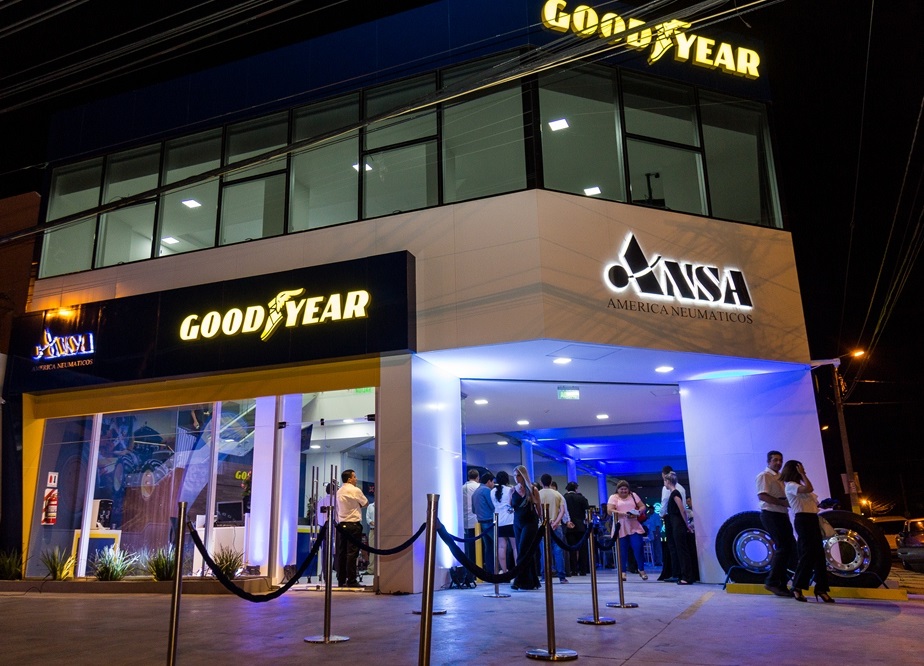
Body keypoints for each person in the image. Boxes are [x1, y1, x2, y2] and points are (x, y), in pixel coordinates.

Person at [779, 460, 834, 603]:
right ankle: (797, 587)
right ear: (795, 470)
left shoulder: (799, 486)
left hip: (812, 519)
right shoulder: (791, 485)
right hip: (803, 520)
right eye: (801, 469)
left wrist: (825, 504)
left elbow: (812, 504)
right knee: (808, 554)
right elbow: (809, 488)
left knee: (819, 555)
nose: (804, 471)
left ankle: (821, 588)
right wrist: (803, 474)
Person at [756, 450, 795, 597]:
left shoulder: (780, 477)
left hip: (782, 514)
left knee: (790, 548)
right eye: (775, 460)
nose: (778, 463)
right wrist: (782, 502)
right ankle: (772, 582)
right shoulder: (764, 476)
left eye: (780, 460)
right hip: (771, 514)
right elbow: (762, 495)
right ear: (768, 461)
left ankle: (782, 584)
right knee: (783, 547)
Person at [607, 480, 648, 580]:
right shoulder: (613, 497)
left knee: (638, 547)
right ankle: (623, 572)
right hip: (620, 526)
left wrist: (638, 512)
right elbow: (609, 510)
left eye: (625, 489)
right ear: (617, 490)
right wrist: (623, 513)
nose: (624, 491)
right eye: (621, 489)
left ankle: (641, 569)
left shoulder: (633, 495)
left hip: (634, 525)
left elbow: (643, 506)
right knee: (622, 550)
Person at [510, 465, 541, 590]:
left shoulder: (533, 489)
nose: (516, 478)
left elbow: (538, 507)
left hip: (530, 521)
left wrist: (542, 521)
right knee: (523, 550)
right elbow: (510, 505)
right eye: (514, 476)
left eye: (518, 475)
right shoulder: (512, 490)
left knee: (523, 549)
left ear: (523, 476)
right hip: (517, 522)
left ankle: (518, 579)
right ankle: (531, 580)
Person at [336, 469, 368, 588]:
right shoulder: (355, 490)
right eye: (354, 477)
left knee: (342, 553)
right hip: (353, 524)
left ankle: (341, 579)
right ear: (349, 479)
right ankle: (351, 580)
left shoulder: (339, 491)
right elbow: (365, 503)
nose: (356, 479)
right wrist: (356, 505)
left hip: (342, 524)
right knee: (352, 553)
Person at [664, 471, 694, 585]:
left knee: (682, 551)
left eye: (665, 481)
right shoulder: (674, 493)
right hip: (676, 525)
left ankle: (687, 577)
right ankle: (685, 575)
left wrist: (687, 525)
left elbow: (682, 510)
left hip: (678, 525)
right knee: (681, 551)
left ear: (668, 481)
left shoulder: (675, 494)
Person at [658, 465, 687, 582]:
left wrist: (661, 514)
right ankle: (681, 573)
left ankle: (677, 573)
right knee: (679, 547)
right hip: (679, 519)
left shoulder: (670, 490)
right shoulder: (681, 488)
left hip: (672, 518)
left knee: (674, 547)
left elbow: (664, 503)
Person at [538, 473, 568, 583]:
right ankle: (562, 577)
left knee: (544, 551)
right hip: (556, 526)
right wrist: (555, 522)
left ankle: (544, 576)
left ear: (541, 482)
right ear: (551, 482)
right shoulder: (558, 494)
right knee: (558, 551)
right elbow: (562, 511)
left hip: (542, 526)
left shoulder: (538, 494)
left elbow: (537, 510)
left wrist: (543, 520)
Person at [492, 471, 517, 573]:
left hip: (498, 521)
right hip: (511, 520)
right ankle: (517, 571)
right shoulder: (510, 489)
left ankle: (504, 571)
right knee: (515, 547)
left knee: (501, 547)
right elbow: (513, 504)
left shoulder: (492, 492)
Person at [472, 471, 496, 574]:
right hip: (489, 521)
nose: (493, 484)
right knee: (498, 545)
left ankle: (490, 571)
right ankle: (499, 570)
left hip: (480, 523)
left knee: (488, 547)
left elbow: (473, 510)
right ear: (489, 481)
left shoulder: (475, 492)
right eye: (493, 482)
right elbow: (493, 506)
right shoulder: (486, 491)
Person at [564, 482, 590, 576]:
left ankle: (573, 570)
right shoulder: (582, 498)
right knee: (582, 549)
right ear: (576, 489)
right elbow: (587, 511)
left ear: (567, 489)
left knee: (571, 549)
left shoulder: (564, 498)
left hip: (569, 526)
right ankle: (583, 569)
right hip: (581, 526)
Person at [316, 482, 338, 581]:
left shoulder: (321, 501)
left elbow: (319, 517)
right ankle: (338, 572)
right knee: (336, 550)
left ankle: (325, 574)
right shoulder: (336, 501)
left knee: (324, 552)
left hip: (323, 528)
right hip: (334, 526)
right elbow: (338, 515)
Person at [462, 468, 480, 563]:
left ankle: (469, 567)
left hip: (465, 520)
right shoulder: (479, 487)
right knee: (479, 546)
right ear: (477, 477)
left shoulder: (462, 487)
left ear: (468, 477)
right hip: (477, 520)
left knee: (469, 548)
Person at [365, 498, 375, 572]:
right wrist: (372, 522)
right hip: (373, 530)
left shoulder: (383, 506)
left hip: (382, 531)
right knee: (372, 550)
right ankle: (371, 569)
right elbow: (367, 518)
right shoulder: (370, 506)